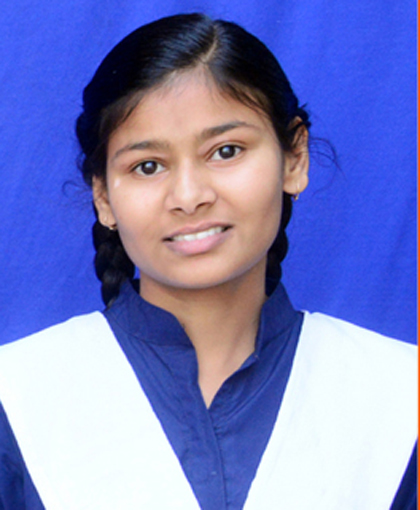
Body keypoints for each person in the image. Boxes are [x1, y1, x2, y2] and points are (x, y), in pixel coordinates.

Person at [0, 13, 416, 510]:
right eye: (147, 166)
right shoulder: (19, 397)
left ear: (294, 157)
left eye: (226, 151)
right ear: (103, 196)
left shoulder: (396, 395)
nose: (189, 196)